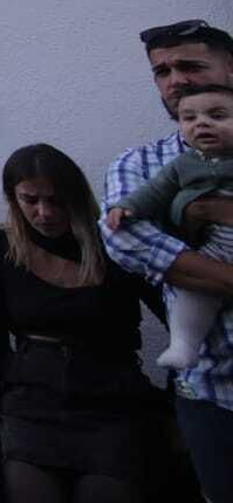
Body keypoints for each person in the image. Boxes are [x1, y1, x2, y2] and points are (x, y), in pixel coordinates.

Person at [0, 144, 165, 503]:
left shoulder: (112, 241)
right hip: (32, 399)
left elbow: (173, 312)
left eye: (56, 200)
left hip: (108, 399)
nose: (44, 213)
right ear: (13, 198)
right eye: (31, 200)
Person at [102, 20, 233, 503]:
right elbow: (129, 244)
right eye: (163, 71)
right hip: (213, 391)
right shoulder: (142, 165)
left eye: (190, 65)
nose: (175, 80)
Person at [108, 83, 233, 369]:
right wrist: (127, 207)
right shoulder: (183, 165)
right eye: (190, 118)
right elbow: (156, 190)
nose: (203, 123)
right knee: (191, 297)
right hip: (214, 249)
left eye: (217, 116)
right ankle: (184, 345)